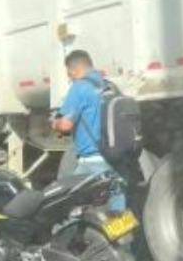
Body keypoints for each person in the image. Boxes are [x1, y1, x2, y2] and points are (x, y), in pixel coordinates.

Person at [51, 50, 127, 215]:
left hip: (92, 161)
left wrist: (55, 123)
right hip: (115, 158)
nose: (69, 78)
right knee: (117, 209)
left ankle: (75, 230)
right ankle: (121, 229)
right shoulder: (110, 86)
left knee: (66, 206)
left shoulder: (79, 88)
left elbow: (66, 125)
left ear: (73, 70)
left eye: (68, 74)